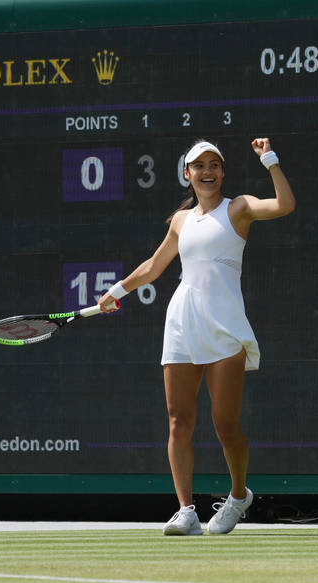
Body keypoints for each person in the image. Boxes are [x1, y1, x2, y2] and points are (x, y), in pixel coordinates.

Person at [98, 138, 295, 535]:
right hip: (182, 323)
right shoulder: (180, 220)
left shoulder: (238, 208)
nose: (208, 172)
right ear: (187, 174)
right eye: (199, 166)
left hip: (224, 326)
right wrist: (117, 291)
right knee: (178, 421)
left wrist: (270, 160)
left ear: (222, 172)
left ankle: (238, 496)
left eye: (214, 165)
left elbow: (284, 205)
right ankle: (186, 511)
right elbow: (155, 266)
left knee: (225, 425)